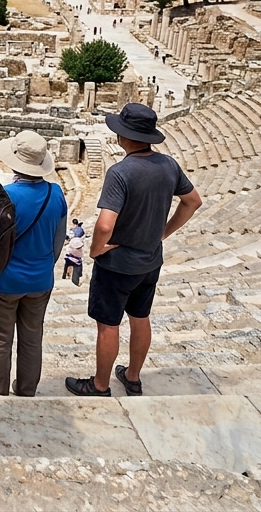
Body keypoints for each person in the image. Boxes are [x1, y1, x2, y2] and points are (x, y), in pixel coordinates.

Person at [66, 103, 202, 398]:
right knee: (140, 317)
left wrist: (95, 250)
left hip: (117, 264)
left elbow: (104, 225)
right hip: (150, 261)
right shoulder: (168, 165)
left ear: (124, 136)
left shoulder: (121, 172)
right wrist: (162, 233)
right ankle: (133, 377)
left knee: (108, 325)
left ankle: (100, 385)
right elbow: (193, 201)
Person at [0, 131, 67, 398]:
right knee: (32, 339)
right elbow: (58, 241)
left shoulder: (3, 197)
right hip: (40, 281)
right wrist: (41, 267)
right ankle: (27, 390)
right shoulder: (56, 194)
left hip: (3, 281)